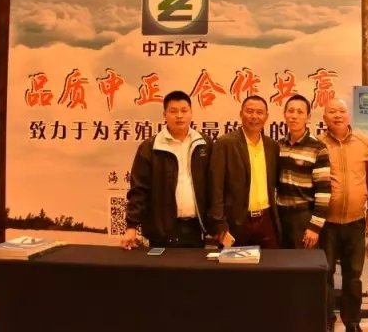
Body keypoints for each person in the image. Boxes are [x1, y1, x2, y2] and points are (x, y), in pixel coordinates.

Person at [121, 90, 212, 249]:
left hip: (197, 229)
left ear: (191, 113)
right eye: (173, 111)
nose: (179, 116)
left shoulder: (204, 144)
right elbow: (139, 190)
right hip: (161, 232)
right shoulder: (150, 147)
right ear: (164, 115)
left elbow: (215, 187)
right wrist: (131, 227)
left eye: (184, 111)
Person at [318, 98, 368, 332]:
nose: (337, 115)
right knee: (325, 274)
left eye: (342, 111)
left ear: (349, 115)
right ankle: (327, 320)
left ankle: (352, 321)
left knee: (353, 276)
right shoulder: (318, 143)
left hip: (356, 222)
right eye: (332, 111)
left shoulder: (365, 142)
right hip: (326, 223)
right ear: (324, 118)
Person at [208, 95, 280, 248]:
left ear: (266, 117)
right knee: (235, 263)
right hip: (236, 222)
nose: (254, 116)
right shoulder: (225, 143)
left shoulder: (272, 146)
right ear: (241, 114)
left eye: (259, 112)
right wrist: (219, 224)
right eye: (250, 111)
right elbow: (215, 187)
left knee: (270, 262)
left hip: (266, 220)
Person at [276, 94, 331, 250]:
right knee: (281, 261)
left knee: (303, 263)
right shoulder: (278, 146)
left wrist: (315, 226)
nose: (294, 116)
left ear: (308, 117)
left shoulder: (318, 148)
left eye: (300, 112)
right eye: (290, 111)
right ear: (285, 114)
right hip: (280, 215)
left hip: (303, 216)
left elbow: (324, 191)